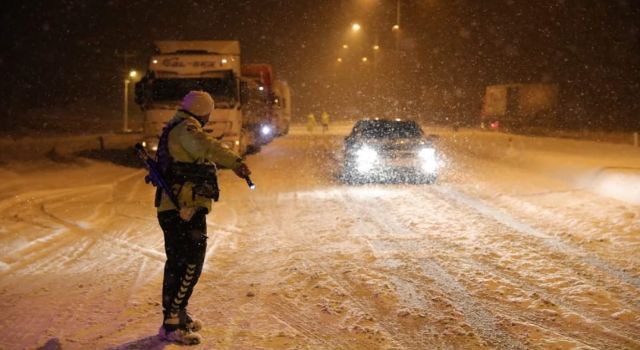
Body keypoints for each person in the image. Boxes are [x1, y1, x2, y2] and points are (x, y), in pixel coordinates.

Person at [154, 91, 251, 345]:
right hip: (182, 208)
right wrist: (235, 161)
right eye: (209, 112)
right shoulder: (187, 128)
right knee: (188, 263)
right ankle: (171, 323)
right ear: (201, 110)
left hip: (181, 206)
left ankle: (178, 314)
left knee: (182, 262)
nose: (209, 117)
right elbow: (207, 146)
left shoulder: (179, 126)